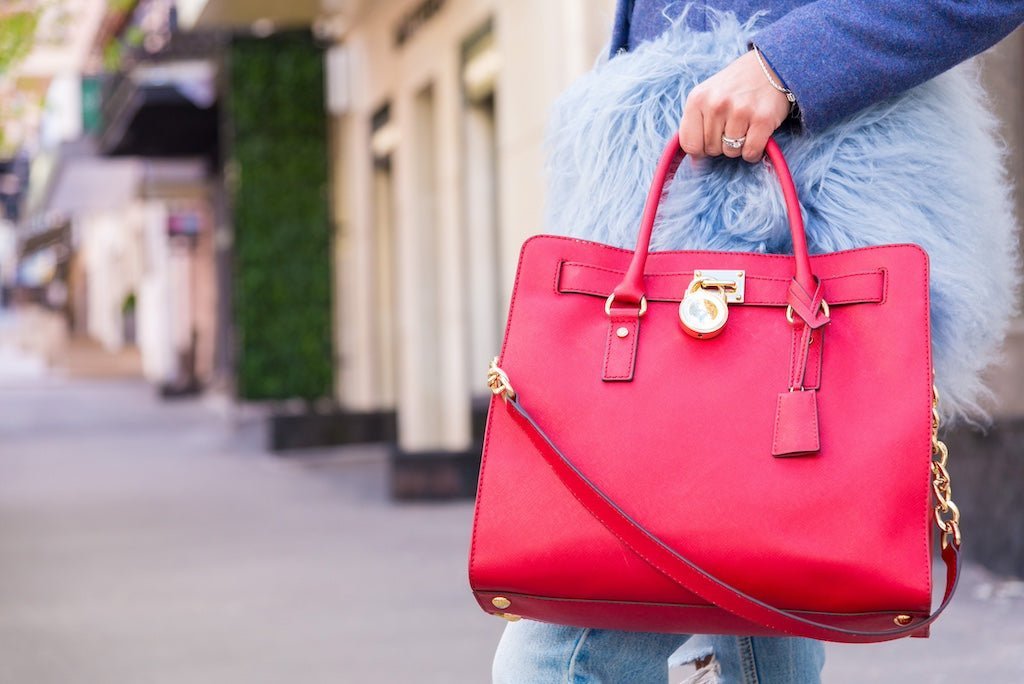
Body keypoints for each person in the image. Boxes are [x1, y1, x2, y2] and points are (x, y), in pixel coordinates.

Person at [492, 2, 1024, 682]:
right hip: (670, 215)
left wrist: (789, 64)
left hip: (814, 200)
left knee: (561, 655)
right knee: (765, 606)